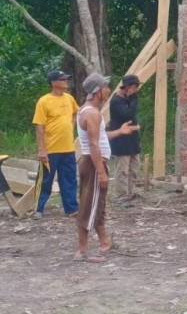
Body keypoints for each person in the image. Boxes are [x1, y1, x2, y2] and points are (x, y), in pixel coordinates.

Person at [75, 72, 138, 262]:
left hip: (93, 162)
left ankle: (104, 242)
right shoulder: (92, 114)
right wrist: (101, 172)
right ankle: (83, 250)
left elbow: (100, 138)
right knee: (88, 206)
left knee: (98, 205)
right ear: (97, 91)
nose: (109, 90)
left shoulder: (88, 111)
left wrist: (119, 131)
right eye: (106, 87)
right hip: (94, 164)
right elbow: (94, 145)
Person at [32, 70, 80, 219]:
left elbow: (75, 113)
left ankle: (71, 209)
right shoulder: (44, 101)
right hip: (51, 148)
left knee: (69, 179)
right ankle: (38, 209)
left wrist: (70, 127)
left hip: (68, 148)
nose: (66, 81)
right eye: (62, 79)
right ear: (54, 83)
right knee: (45, 179)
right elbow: (39, 126)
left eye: (67, 79)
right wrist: (42, 149)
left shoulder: (69, 99)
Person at [109, 74, 142, 203]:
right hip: (121, 140)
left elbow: (133, 118)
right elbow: (128, 114)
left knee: (134, 167)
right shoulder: (116, 101)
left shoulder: (129, 99)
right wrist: (133, 98)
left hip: (132, 140)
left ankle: (130, 192)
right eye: (135, 86)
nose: (136, 89)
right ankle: (121, 195)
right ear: (127, 87)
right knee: (122, 170)